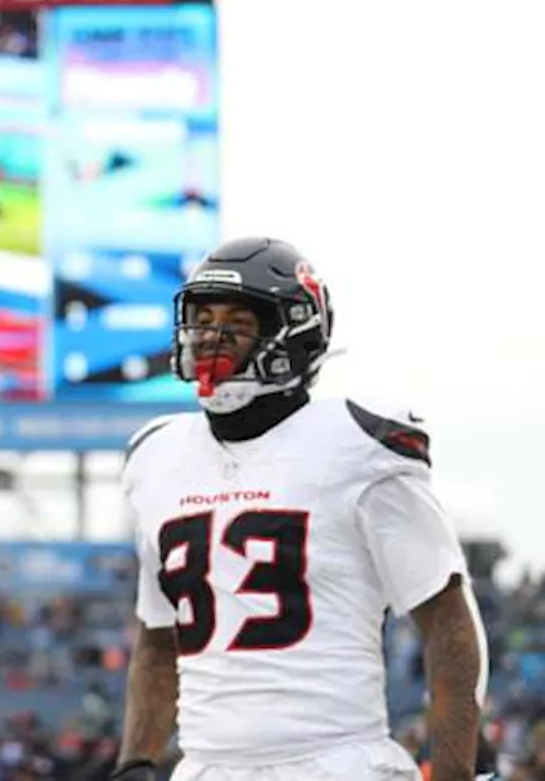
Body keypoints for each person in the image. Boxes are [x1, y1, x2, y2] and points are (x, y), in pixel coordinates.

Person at [111, 237, 490, 781]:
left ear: (294, 334)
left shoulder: (360, 442)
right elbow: (158, 635)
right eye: (202, 319)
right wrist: (137, 761)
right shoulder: (156, 456)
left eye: (237, 322)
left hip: (337, 762)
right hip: (205, 769)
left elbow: (449, 623)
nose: (210, 337)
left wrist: (453, 772)